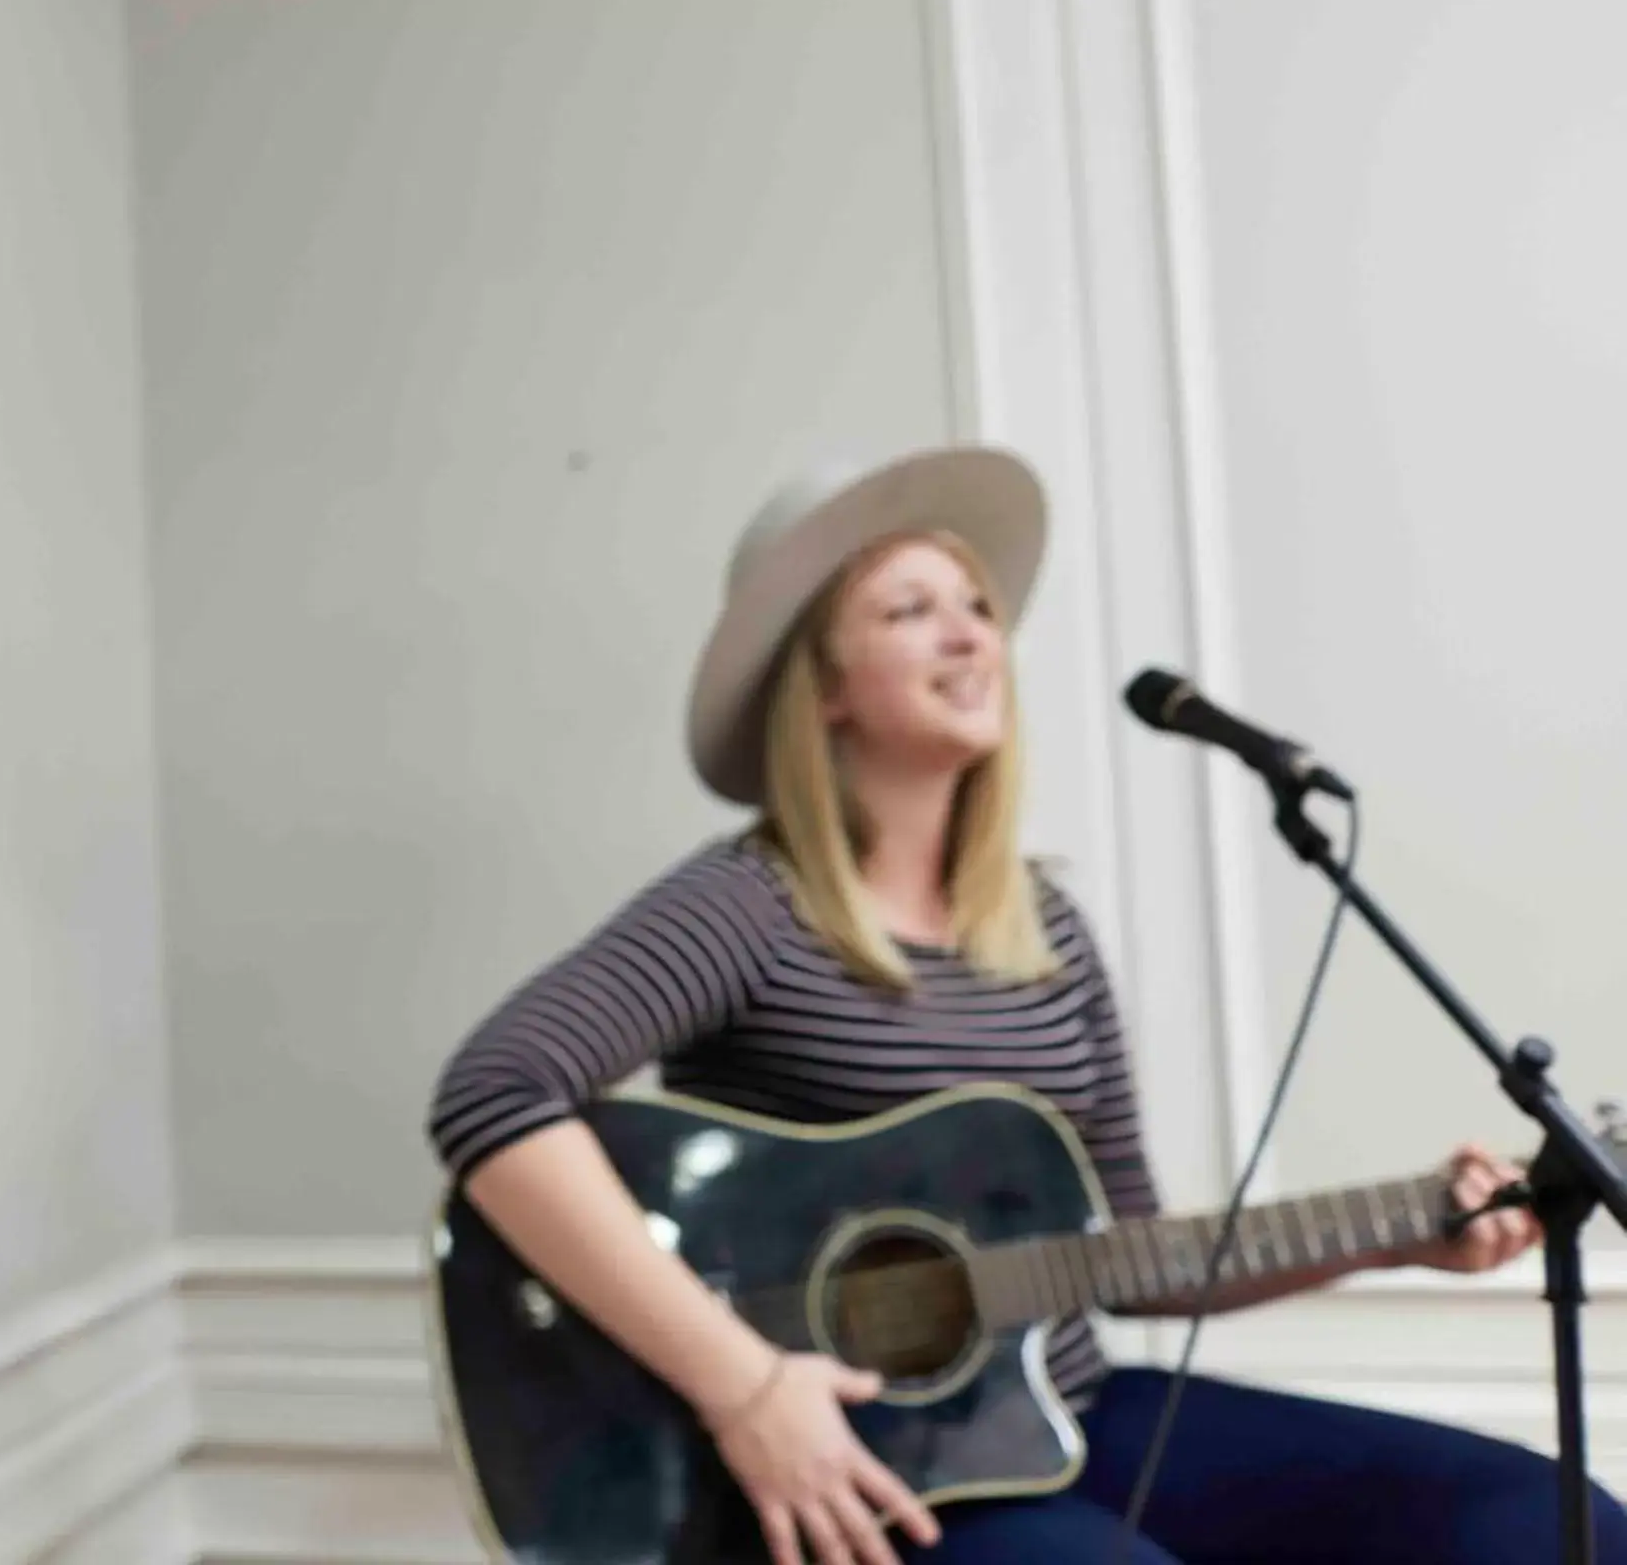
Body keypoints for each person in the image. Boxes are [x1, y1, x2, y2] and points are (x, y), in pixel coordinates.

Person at [426, 444, 1627, 1564]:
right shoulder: (750, 905)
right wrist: (746, 1387)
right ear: (824, 686)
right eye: (912, 610)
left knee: (1546, 1519)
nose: (973, 637)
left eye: (979, 608)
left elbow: (1134, 1259)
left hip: (1068, 1407)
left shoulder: (1045, 929)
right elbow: (494, 1093)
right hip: (856, 1454)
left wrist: (1402, 1232)